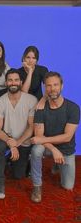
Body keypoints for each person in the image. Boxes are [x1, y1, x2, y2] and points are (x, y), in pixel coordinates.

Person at [30, 71, 80, 203]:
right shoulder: (40, 108)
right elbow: (39, 136)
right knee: (36, 150)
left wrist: (44, 141)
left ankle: (58, 165)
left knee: (67, 186)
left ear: (62, 86)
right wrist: (53, 149)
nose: (52, 89)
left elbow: (67, 137)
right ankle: (37, 186)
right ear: (44, 88)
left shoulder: (73, 108)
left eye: (56, 85)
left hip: (66, 149)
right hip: (48, 148)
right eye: (48, 86)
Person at [0, 69, 37, 199]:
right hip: (6, 139)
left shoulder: (31, 100)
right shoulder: (0, 102)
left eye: (16, 80)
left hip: (23, 140)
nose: (13, 82)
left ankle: (24, 160)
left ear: (21, 82)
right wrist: (10, 143)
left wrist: (17, 143)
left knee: (18, 175)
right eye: (10, 80)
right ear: (6, 83)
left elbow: (31, 127)